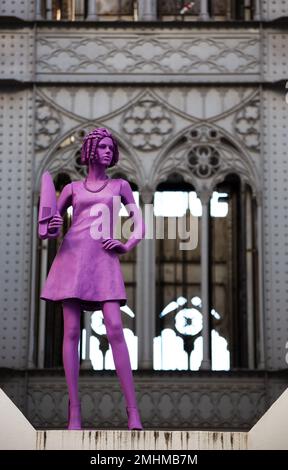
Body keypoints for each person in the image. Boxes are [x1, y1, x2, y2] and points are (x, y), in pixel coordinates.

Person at [39, 127, 145, 430]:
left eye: (111, 148)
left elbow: (140, 224)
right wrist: (53, 223)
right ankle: (74, 412)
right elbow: (46, 230)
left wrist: (126, 244)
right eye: (103, 147)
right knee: (71, 332)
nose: (108, 152)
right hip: (71, 258)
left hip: (104, 259)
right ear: (90, 150)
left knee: (115, 327)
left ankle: (133, 411)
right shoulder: (72, 189)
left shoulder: (121, 186)